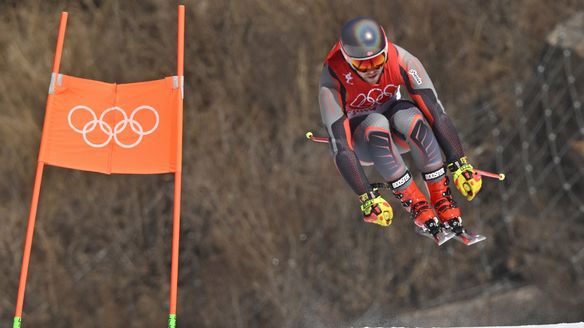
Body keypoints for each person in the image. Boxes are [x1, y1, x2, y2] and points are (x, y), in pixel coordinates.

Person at [318, 16, 482, 236]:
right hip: (364, 142)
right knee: (376, 124)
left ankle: (442, 198)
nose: (371, 70)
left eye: (377, 62)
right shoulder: (332, 78)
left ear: (386, 51)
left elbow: (437, 114)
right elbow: (341, 146)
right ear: (347, 60)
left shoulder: (403, 60)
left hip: (397, 131)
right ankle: (415, 203)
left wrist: (459, 163)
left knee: (412, 117)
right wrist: (368, 197)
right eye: (361, 65)